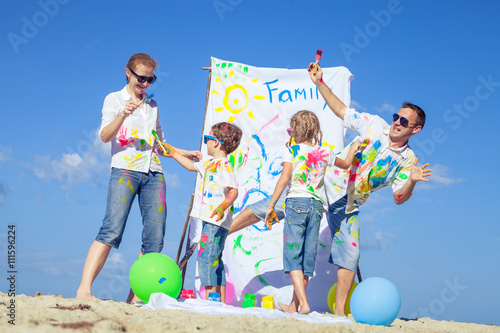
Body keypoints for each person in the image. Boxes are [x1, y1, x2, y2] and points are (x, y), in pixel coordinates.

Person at [229, 61, 432, 315]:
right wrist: (319, 82)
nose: (397, 122)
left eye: (404, 120)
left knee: (350, 252)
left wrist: (412, 179)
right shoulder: (375, 125)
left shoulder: (408, 161)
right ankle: (223, 231)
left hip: (348, 204)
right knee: (269, 206)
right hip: (320, 182)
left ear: (416, 128)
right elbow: (341, 110)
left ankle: (335, 315)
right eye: (396, 116)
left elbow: (399, 198)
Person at [76, 53, 201, 302]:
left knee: (155, 237)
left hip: (154, 172)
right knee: (111, 230)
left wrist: (182, 151)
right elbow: (104, 136)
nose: (145, 83)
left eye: (150, 79)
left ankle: (135, 298)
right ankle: (84, 290)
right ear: (128, 72)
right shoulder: (113, 99)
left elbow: (159, 143)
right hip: (124, 169)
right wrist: (123, 114)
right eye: (141, 78)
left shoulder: (153, 105)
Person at [265, 110, 361, 314]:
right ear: (315, 130)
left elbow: (284, 179)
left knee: (292, 256)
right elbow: (345, 165)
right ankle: (294, 305)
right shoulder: (325, 152)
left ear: (296, 130)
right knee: (306, 258)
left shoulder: (292, 150)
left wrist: (272, 204)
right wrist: (353, 148)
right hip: (316, 207)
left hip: (296, 203)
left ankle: (304, 303)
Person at [162, 122, 242, 302]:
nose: (205, 142)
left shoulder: (224, 166)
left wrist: (222, 206)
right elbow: (190, 166)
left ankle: (210, 299)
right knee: (215, 258)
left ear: (216, 143)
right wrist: (173, 153)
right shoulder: (209, 164)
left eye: (207, 138)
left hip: (216, 221)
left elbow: (234, 191)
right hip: (210, 219)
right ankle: (219, 299)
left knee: (206, 257)